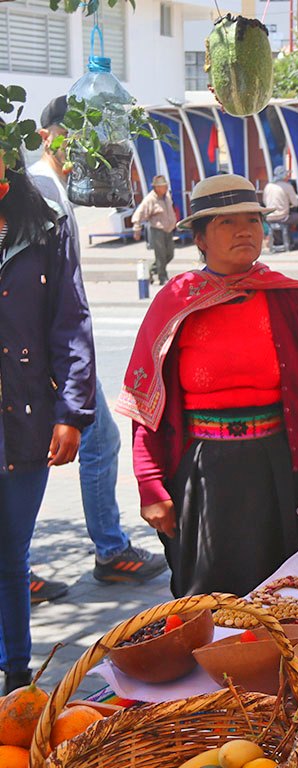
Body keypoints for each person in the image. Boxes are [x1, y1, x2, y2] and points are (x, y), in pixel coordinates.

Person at [116, 175, 298, 598]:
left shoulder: (292, 300)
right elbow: (148, 407)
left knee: (291, 597)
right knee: (213, 604)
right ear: (199, 238)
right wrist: (150, 486)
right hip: (204, 477)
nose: (244, 231)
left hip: (280, 469)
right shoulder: (175, 304)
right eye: (226, 222)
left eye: (252, 221)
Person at [29, 96, 166, 593]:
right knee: (40, 454)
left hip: (47, 355)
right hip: (44, 358)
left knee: (95, 441)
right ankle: (99, 552)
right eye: (73, 136)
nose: (83, 149)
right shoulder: (42, 191)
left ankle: (103, 550)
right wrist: (57, 370)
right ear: (47, 135)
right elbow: (49, 295)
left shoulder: (50, 189)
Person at [0, 148, 96, 694]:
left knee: (11, 552)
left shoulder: (47, 225)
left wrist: (73, 413)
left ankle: (15, 675)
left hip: (25, 417)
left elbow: (72, 321)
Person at [132, 175, 177, 285]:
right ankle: (163, 277)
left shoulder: (167, 196)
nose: (166, 188)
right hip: (157, 230)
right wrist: (137, 228)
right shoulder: (150, 199)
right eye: (163, 186)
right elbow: (139, 213)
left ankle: (153, 270)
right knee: (160, 254)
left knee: (170, 254)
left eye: (166, 186)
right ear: (157, 188)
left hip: (169, 229)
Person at [263, 165, 298, 250]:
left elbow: (265, 201)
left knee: (288, 219)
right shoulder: (287, 186)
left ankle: (283, 242)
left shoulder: (268, 186)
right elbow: (296, 203)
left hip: (269, 217)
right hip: (282, 217)